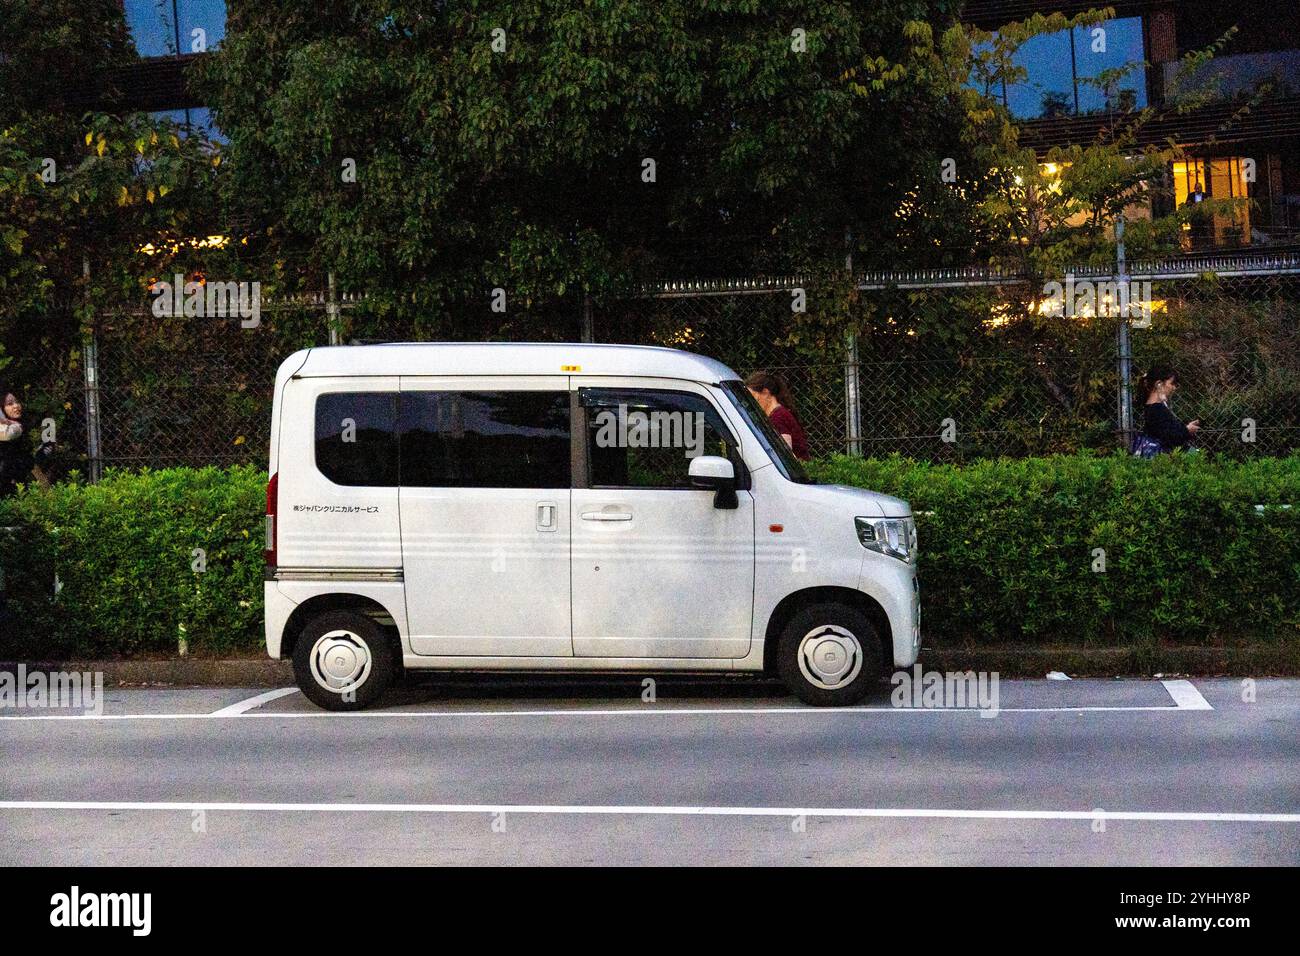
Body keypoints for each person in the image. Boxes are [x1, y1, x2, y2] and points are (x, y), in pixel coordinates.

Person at [745, 370, 811, 461]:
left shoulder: (778, 418)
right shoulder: (779, 413)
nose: (751, 401)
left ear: (765, 393)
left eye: (753, 396)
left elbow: (785, 455)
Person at [1134, 365, 1200, 456]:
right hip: (1165, 456)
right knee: (1196, 454)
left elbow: (1166, 430)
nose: (1174, 388)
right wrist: (1187, 430)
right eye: (1172, 383)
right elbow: (1170, 437)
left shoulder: (1152, 407)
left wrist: (1186, 428)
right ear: (1159, 384)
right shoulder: (1157, 410)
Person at [0, 386, 52, 496]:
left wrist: (44, 450)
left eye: (17, 402)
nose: (16, 406)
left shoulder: (27, 421)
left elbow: (49, 424)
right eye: (9, 404)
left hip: (23, 475)